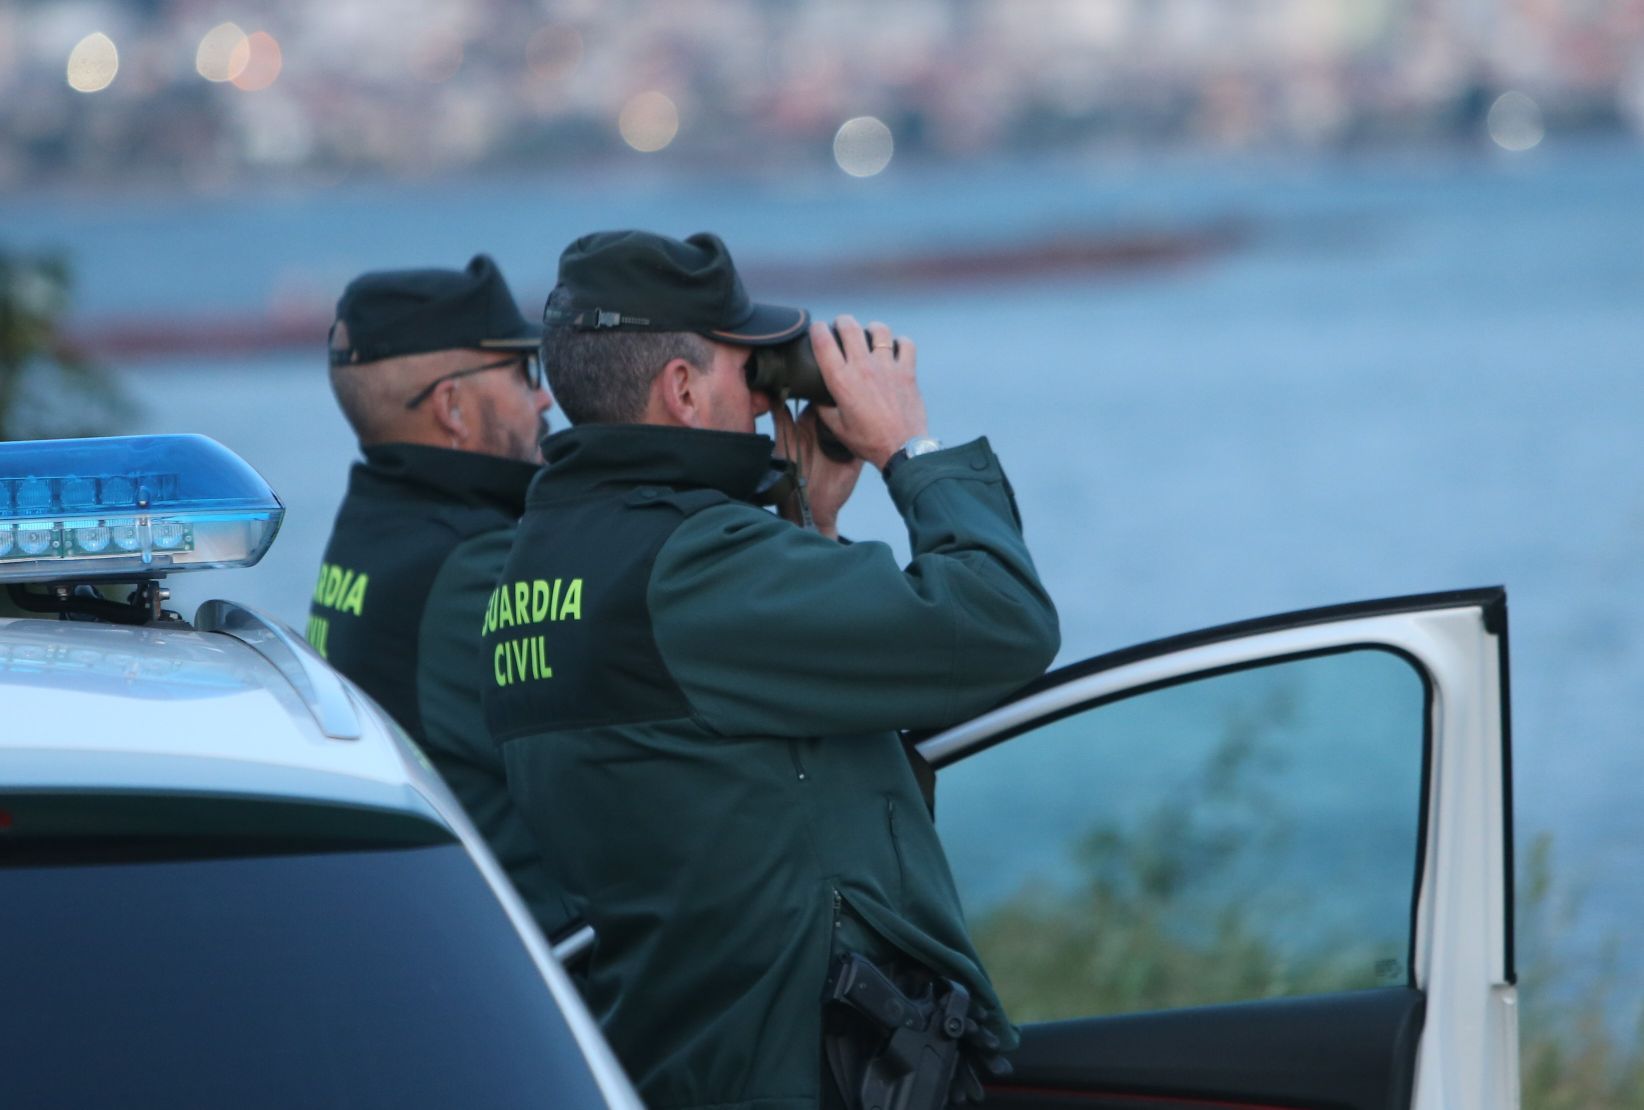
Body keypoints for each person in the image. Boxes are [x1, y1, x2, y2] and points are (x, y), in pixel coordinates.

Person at [482, 229, 1060, 1110]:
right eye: (744, 371)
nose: (762, 403)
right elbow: (1001, 621)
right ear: (679, 389)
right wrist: (912, 450)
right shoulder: (693, 564)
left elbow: (732, 767)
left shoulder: (534, 564)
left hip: (679, 1054)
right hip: (800, 1072)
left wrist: (807, 527)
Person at [308, 254, 573, 937]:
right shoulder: (469, 568)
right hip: (541, 971)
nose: (543, 399)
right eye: (523, 373)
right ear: (452, 407)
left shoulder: (371, 527)